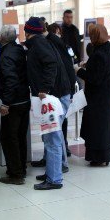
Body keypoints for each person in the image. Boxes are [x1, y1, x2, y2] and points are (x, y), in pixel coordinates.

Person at [24, 17, 72, 190]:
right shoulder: (39, 43)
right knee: (49, 136)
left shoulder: (39, 45)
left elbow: (51, 64)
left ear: (27, 32)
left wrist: (45, 88)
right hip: (56, 95)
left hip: (54, 97)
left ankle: (54, 179)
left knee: (52, 138)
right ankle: (52, 172)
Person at [77, 24, 110, 166]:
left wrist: (79, 71)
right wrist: (88, 65)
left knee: (96, 127)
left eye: (92, 35)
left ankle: (98, 157)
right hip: (108, 94)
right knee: (106, 127)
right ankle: (106, 156)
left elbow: (95, 78)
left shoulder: (98, 53)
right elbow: (103, 69)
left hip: (97, 97)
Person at [0, 24, 30, 185]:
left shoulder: (6, 55)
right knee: (20, 137)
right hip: (24, 100)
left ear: (2, 38)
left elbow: (11, 80)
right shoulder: (18, 50)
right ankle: (21, 169)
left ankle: (15, 174)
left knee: (9, 138)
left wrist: (6, 103)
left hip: (14, 103)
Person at [47, 23, 77, 157]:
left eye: (58, 33)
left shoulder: (62, 47)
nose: (58, 35)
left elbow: (69, 68)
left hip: (62, 91)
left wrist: (71, 89)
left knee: (59, 124)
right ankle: (58, 153)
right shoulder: (55, 47)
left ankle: (63, 151)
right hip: (59, 91)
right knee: (55, 125)